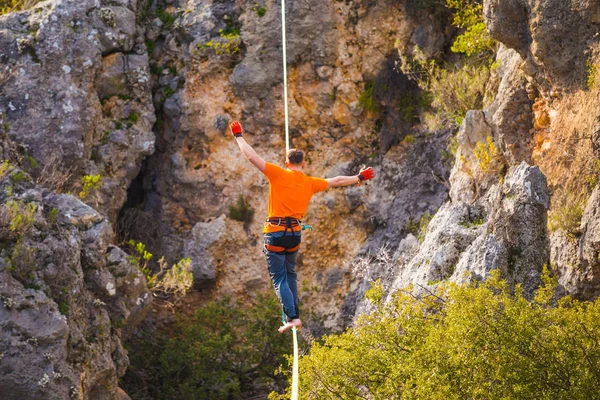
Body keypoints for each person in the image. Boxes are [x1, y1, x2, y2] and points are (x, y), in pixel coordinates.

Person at [230, 121, 375, 333]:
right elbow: (336, 180)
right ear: (304, 164)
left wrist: (238, 136)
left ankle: (292, 317)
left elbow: (251, 156)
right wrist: (359, 177)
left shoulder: (278, 173)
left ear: (287, 163)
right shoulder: (310, 183)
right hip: (294, 235)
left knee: (280, 277)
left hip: (275, 234)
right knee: (290, 275)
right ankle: (294, 315)